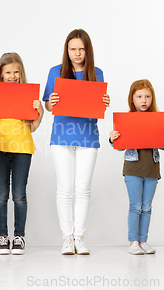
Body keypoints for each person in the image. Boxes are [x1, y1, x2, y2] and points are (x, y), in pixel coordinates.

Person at [43, 29, 110, 255]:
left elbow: (97, 105)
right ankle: (67, 238)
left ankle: (79, 237)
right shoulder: (56, 72)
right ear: (67, 50)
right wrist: (51, 102)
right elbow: (48, 106)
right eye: (73, 49)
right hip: (62, 134)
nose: (77, 53)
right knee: (65, 189)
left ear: (87, 50)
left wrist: (104, 102)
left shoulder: (96, 73)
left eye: (81, 48)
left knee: (83, 188)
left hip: (88, 134)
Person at [0, 52, 44, 255]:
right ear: (0, 74)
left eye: (16, 72)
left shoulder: (27, 94)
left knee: (19, 195)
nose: (12, 75)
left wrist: (40, 112)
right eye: (8, 72)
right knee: (1, 194)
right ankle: (2, 237)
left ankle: (19, 237)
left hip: (22, 149)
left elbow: (32, 127)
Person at [109, 79, 164, 255]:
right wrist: (112, 138)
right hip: (133, 169)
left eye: (147, 96)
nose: (143, 100)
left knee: (147, 207)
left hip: (151, 169)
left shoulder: (157, 119)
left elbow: (161, 142)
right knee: (135, 206)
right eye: (139, 96)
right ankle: (133, 242)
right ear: (133, 99)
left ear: (152, 98)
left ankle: (143, 241)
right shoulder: (126, 120)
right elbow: (120, 146)